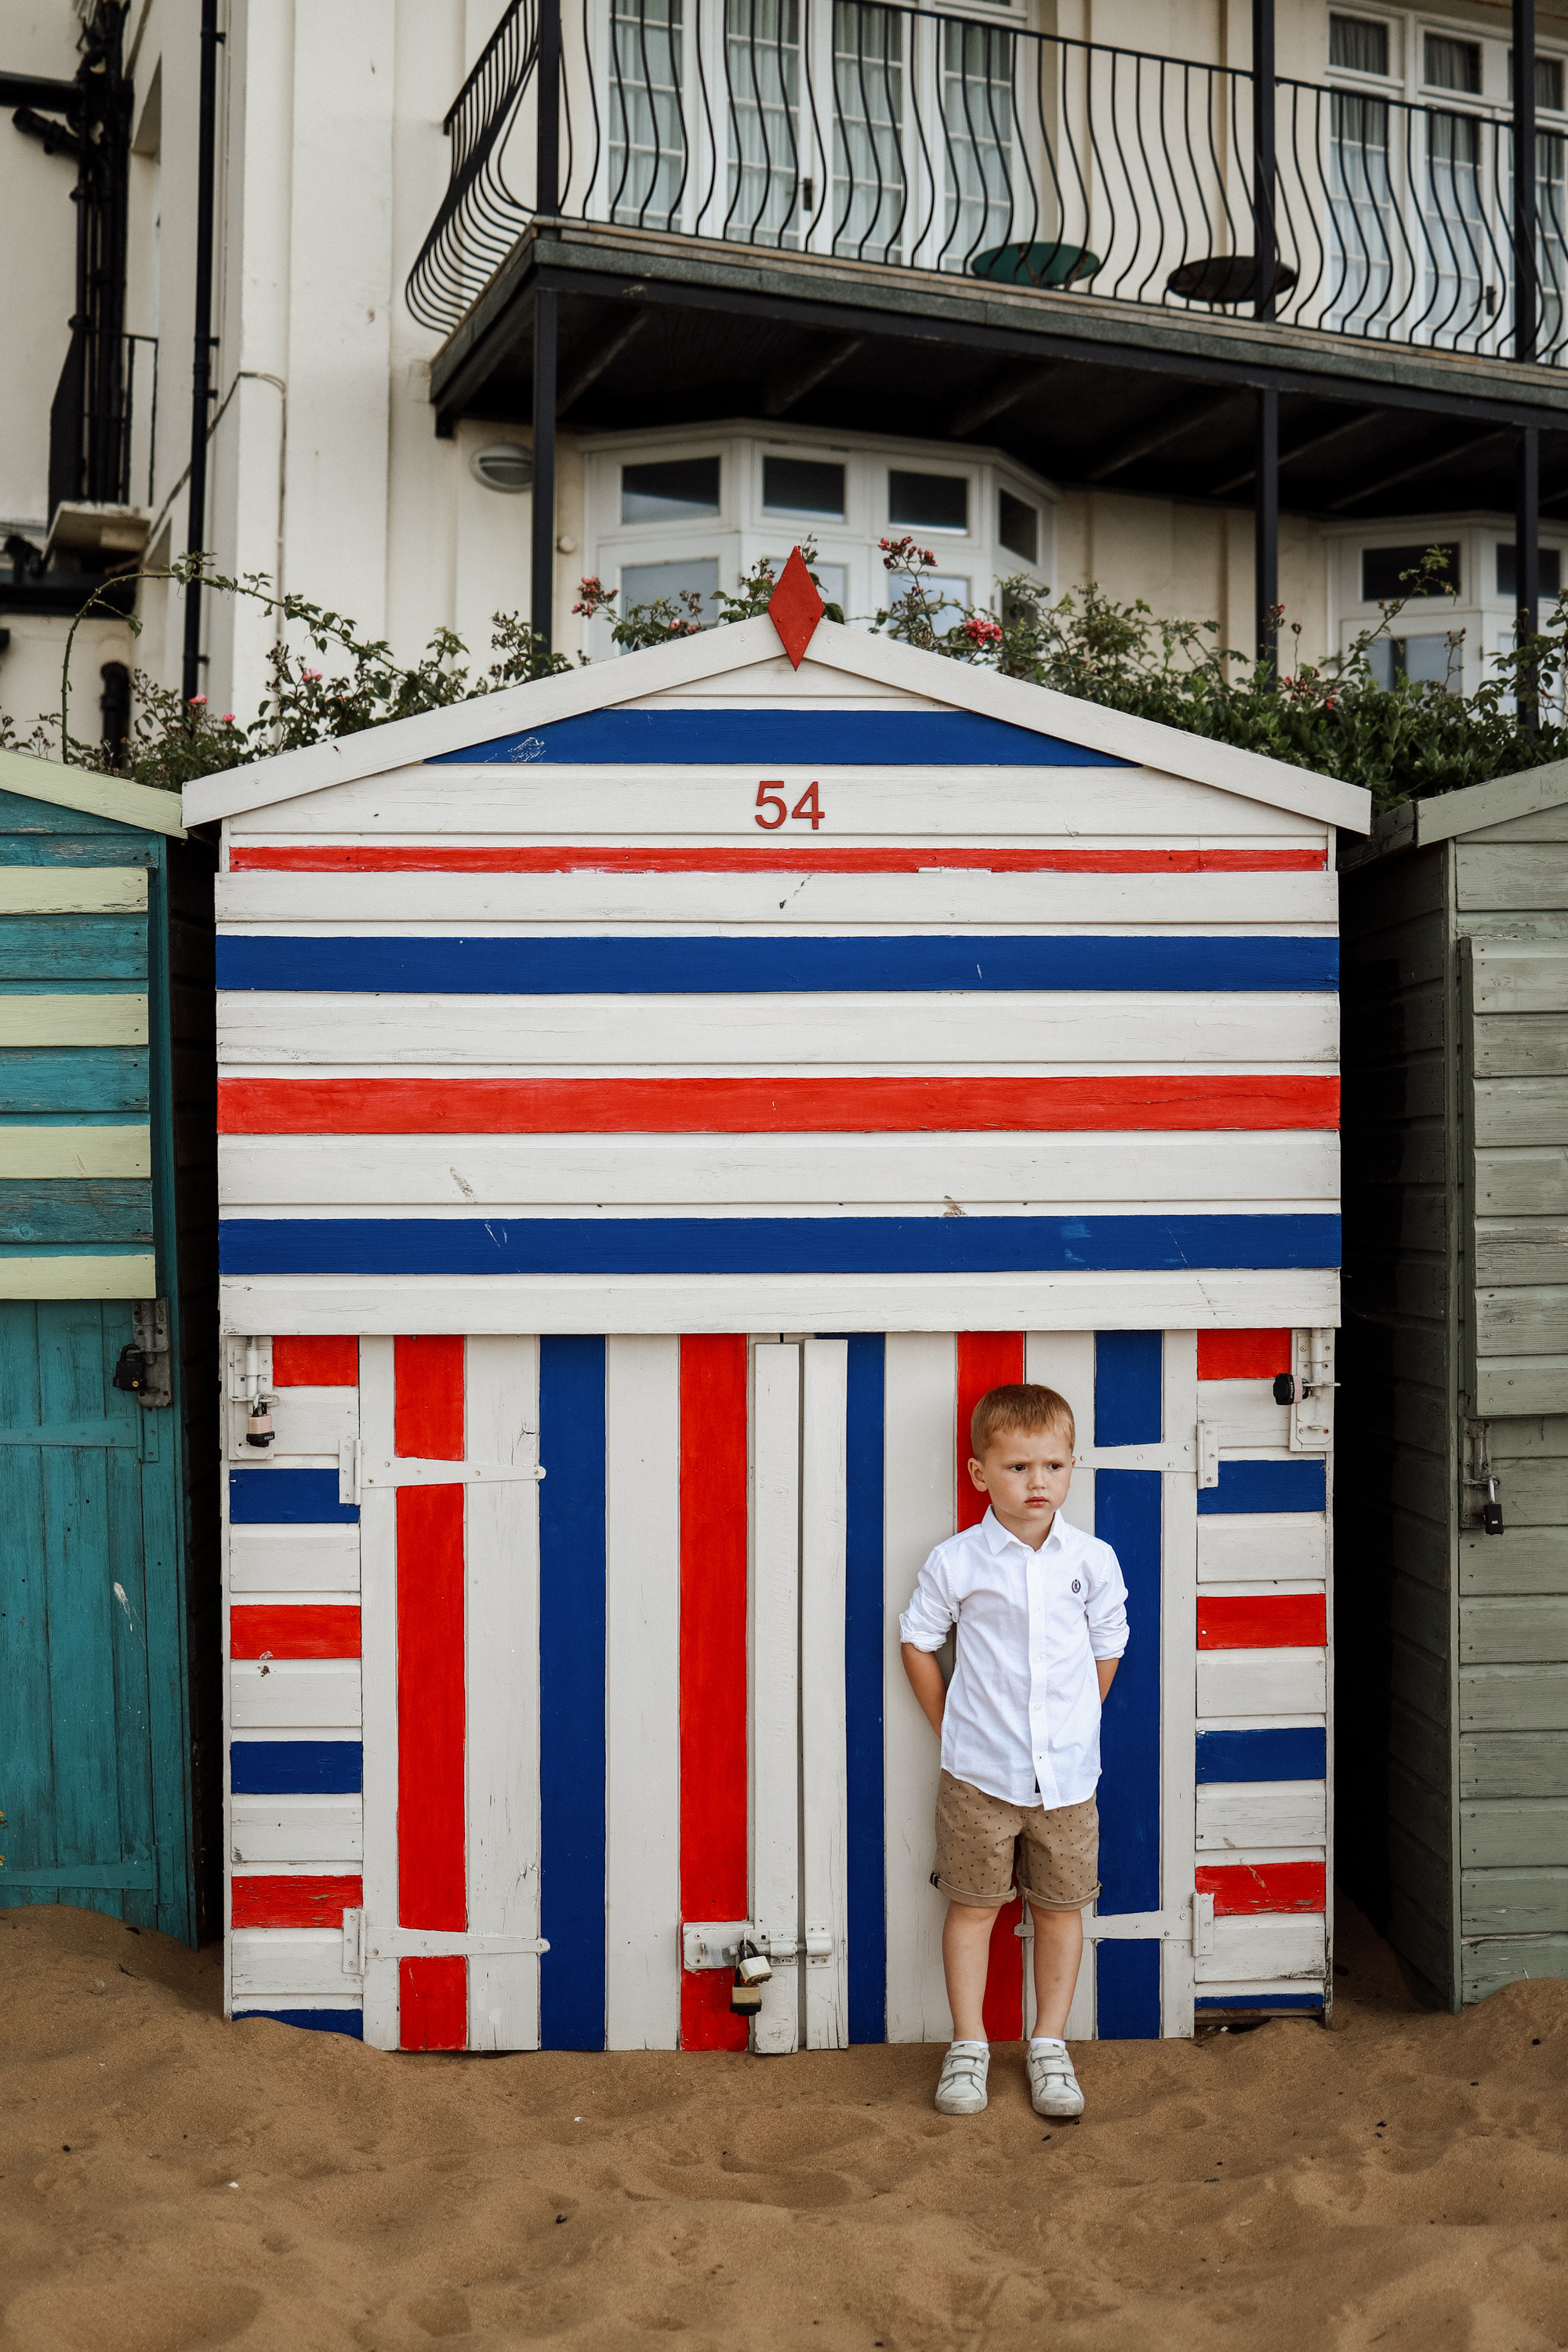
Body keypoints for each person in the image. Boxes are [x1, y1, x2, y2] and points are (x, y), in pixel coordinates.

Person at [899, 1381, 1128, 2121]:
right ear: (980, 1474)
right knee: (974, 1908)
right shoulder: (958, 1561)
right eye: (1019, 1468)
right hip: (978, 1776)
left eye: (1053, 1467)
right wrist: (950, 1726)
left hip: (1067, 1778)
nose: (1038, 1483)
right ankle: (968, 2046)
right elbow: (918, 1641)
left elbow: (1107, 1646)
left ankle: (1049, 2045)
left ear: (1071, 1468)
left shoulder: (1091, 1560)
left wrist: (1076, 1721)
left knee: (1060, 1910)